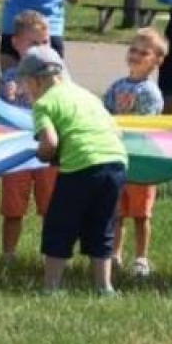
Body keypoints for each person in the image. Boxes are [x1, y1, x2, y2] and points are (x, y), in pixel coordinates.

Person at [19, 46, 128, 294]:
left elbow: (50, 142)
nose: (27, 92)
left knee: (60, 225)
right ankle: (104, 287)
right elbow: (116, 131)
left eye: (26, 84)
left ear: (36, 80)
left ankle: (51, 286)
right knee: (102, 226)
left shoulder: (44, 104)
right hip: (116, 163)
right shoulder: (87, 95)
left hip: (82, 167)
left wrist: (40, 154)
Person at [103, 28, 167, 277]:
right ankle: (115, 253)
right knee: (117, 211)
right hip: (118, 155)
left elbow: (147, 124)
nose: (136, 56)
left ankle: (141, 257)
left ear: (157, 60)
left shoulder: (150, 92)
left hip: (143, 157)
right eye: (133, 50)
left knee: (141, 213)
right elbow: (104, 111)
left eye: (144, 52)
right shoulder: (117, 86)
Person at [0, 10, 57, 261]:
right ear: (16, 44)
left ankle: (50, 254)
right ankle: (8, 254)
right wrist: (7, 99)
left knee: (51, 208)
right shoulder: (9, 78)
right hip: (17, 152)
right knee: (13, 209)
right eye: (33, 43)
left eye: (45, 42)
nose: (40, 48)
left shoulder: (56, 75)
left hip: (50, 149)